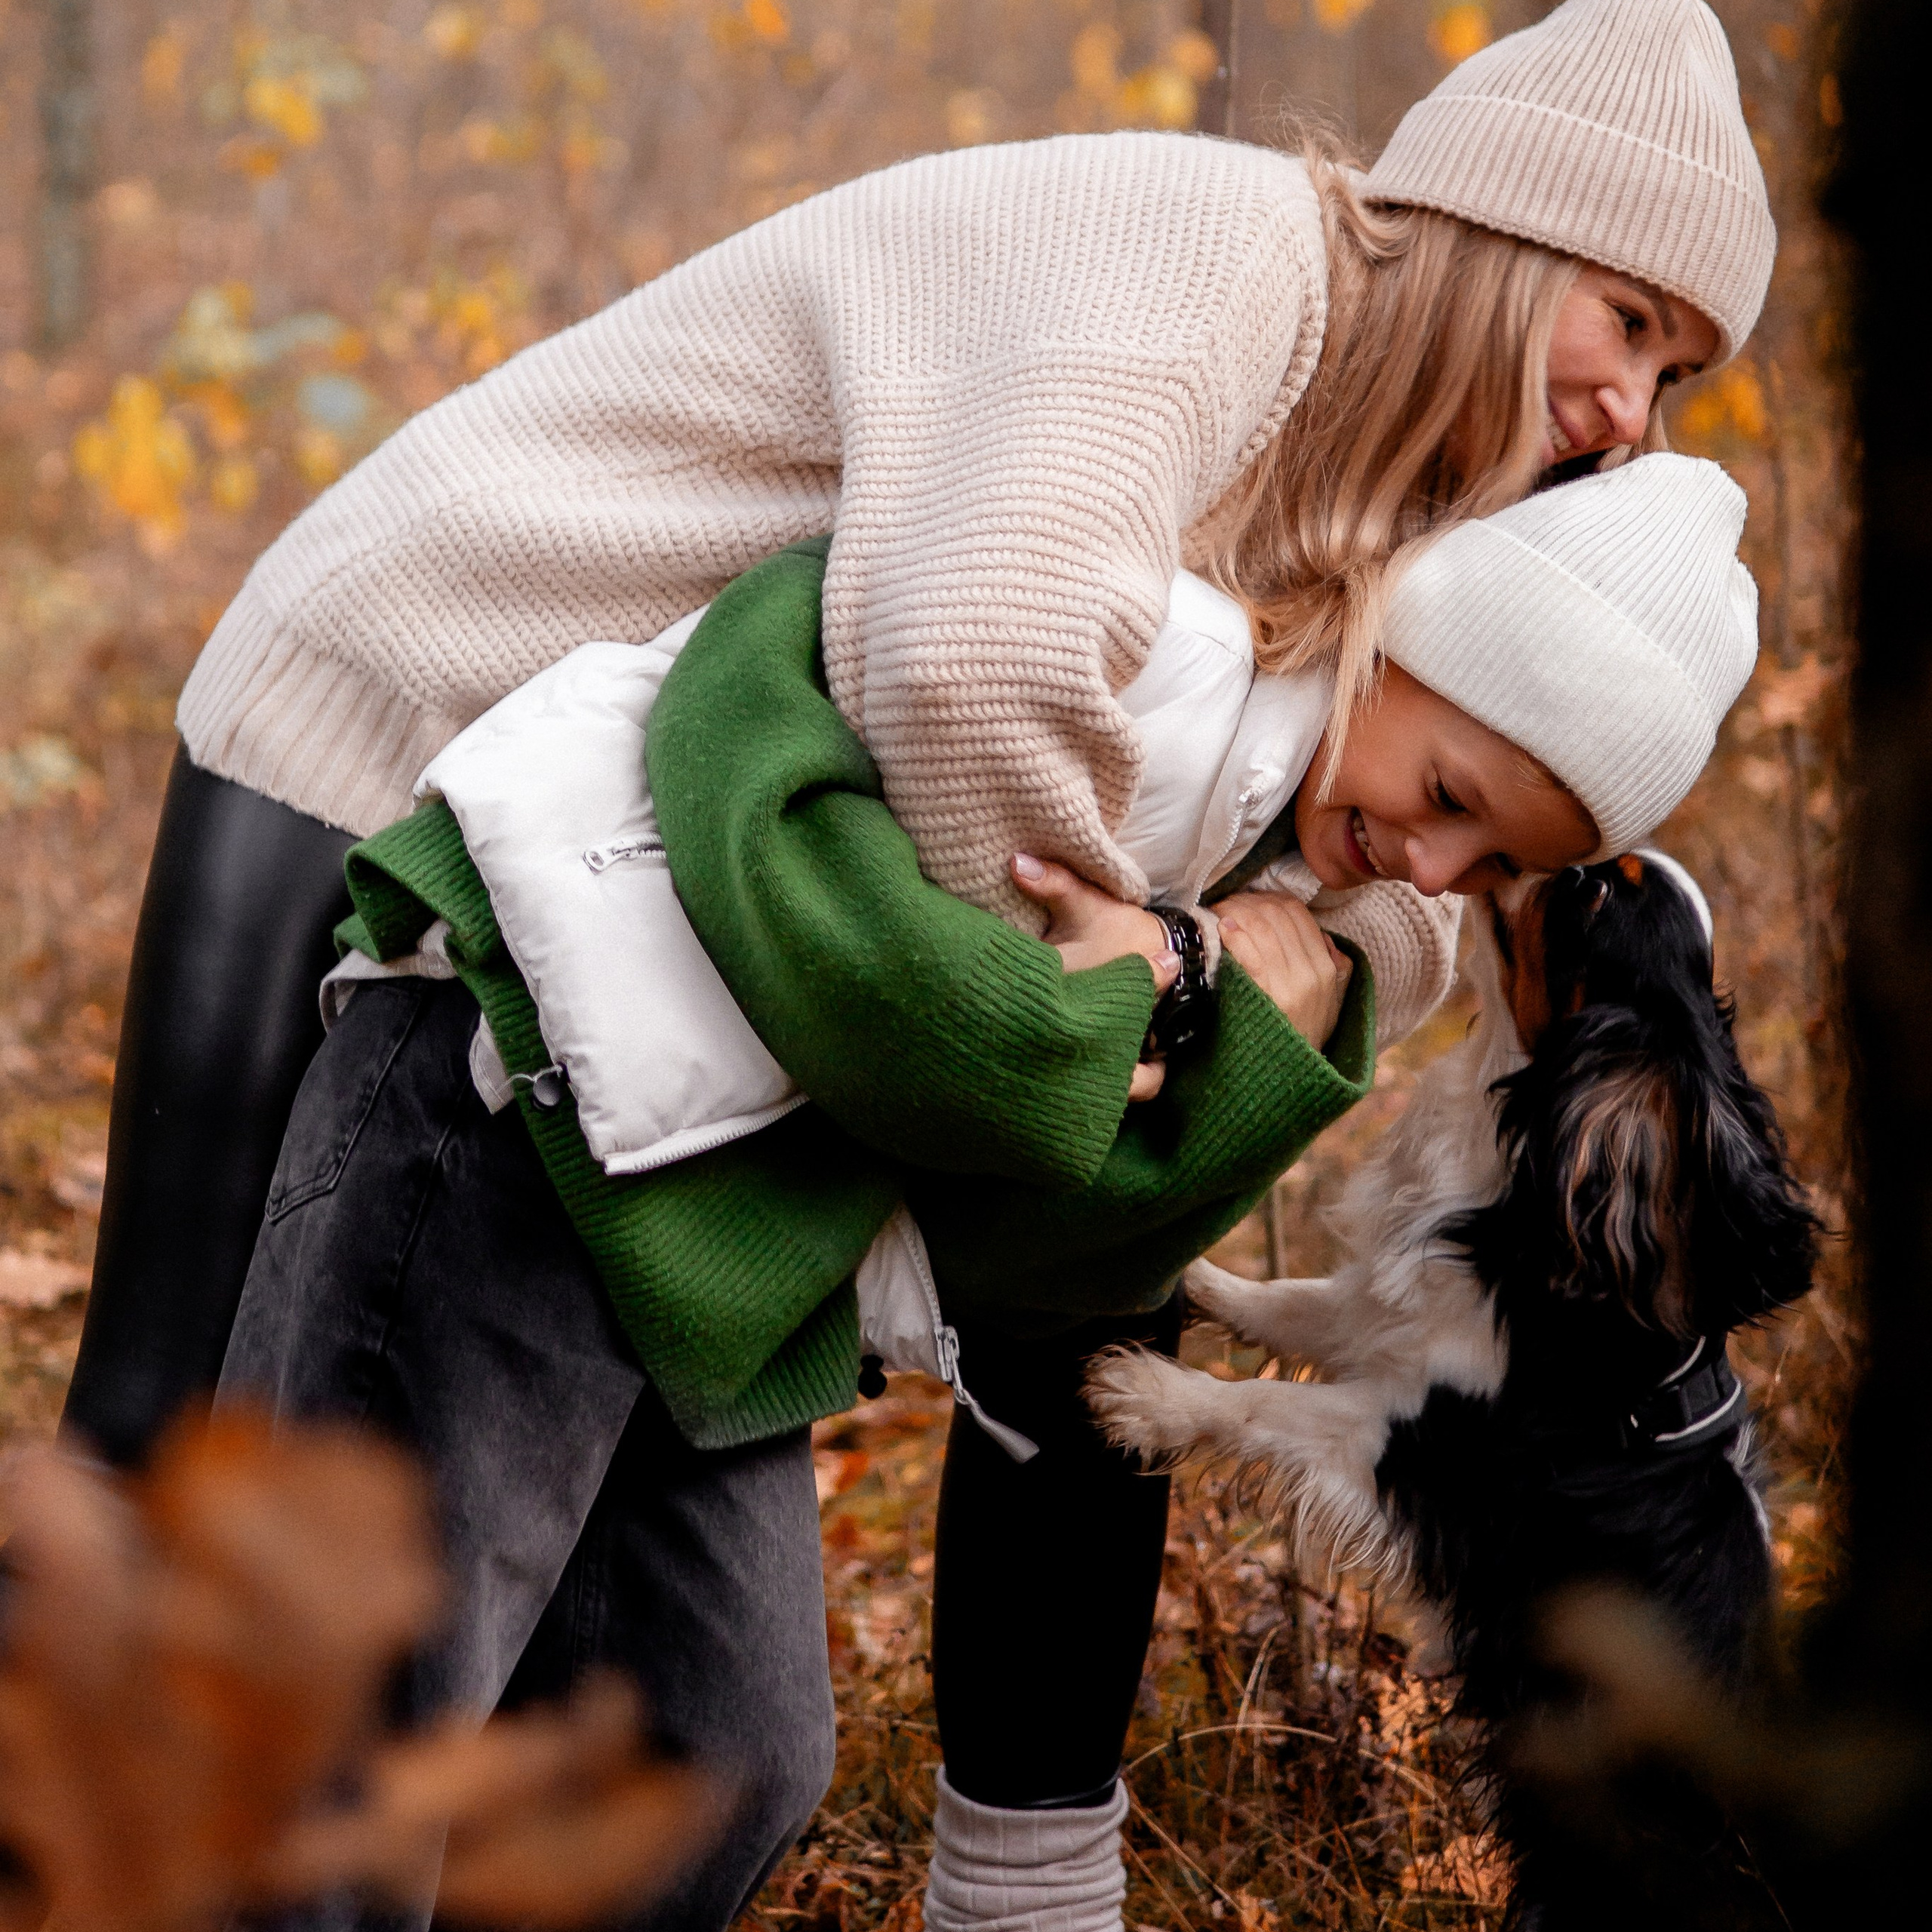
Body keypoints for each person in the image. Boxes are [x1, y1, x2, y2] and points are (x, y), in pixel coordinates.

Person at [63, 0, 1774, 1473]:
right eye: (1629, 322)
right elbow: (973, 667)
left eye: (1676, 376)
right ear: (1505, 226)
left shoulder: (1404, 486)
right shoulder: (1224, 263)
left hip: (608, 888)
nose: (1631, 414)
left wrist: (1286, 966)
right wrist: (1169, 981)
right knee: (154, 1423)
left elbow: (1376, 829)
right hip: (402, 687)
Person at [216, 452, 1761, 1932]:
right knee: (367, 1704)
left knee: (718, 1749)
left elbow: (1043, 1242)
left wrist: (1212, 1022)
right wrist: (1122, 996)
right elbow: (773, 685)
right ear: (1408, 648)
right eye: (1447, 789)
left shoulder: (1275, 887)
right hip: (514, 1073)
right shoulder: (1136, 644)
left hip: (700, 1223)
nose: (1428, 865)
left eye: (1482, 862)